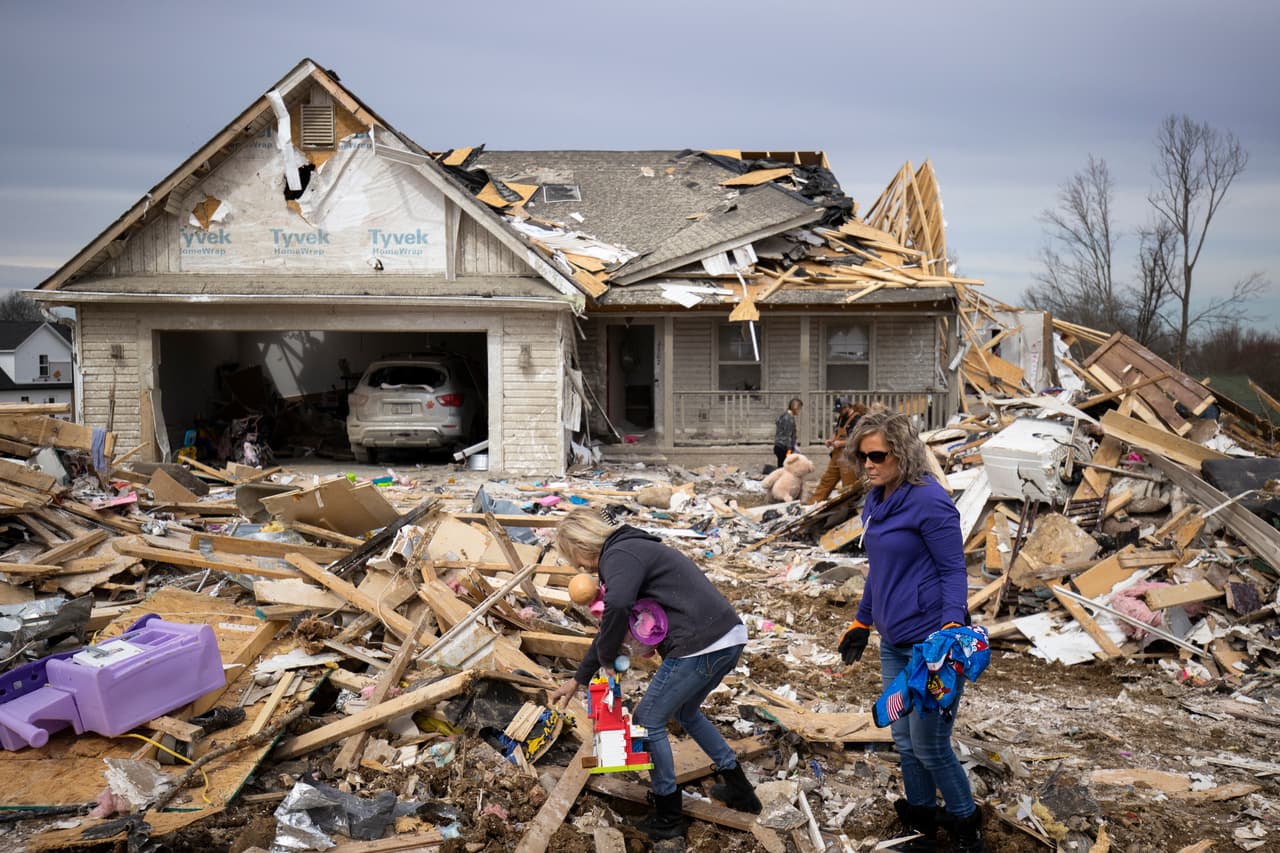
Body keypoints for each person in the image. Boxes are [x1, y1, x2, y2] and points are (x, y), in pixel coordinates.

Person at [550, 508, 760, 841]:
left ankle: (668, 816)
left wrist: (607, 660)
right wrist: (579, 678)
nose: (583, 569)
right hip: (726, 637)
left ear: (582, 543)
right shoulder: (631, 549)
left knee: (648, 719)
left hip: (699, 644)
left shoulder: (617, 554)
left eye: (577, 560)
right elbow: (610, 624)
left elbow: (617, 606)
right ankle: (740, 788)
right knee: (685, 712)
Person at [836, 411, 987, 852]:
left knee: (931, 744)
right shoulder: (876, 501)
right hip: (894, 645)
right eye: (863, 456)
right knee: (903, 740)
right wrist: (862, 621)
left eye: (878, 455)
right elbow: (879, 572)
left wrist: (950, 628)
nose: (869, 464)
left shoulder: (930, 501)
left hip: (932, 647)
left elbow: (953, 570)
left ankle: (967, 826)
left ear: (902, 452)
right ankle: (923, 821)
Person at [805, 399, 868, 505]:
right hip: (836, 454)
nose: (839, 412)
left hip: (849, 456)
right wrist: (832, 441)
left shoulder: (857, 420)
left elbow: (857, 439)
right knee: (827, 479)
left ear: (847, 407)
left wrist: (841, 443)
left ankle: (849, 506)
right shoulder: (841, 417)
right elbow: (837, 432)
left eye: (841, 410)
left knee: (848, 484)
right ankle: (813, 503)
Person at [772, 397, 803, 468]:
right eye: (799, 409)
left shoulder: (783, 416)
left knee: (781, 467)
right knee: (785, 469)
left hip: (779, 445)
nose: (799, 411)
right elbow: (788, 435)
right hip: (784, 447)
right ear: (796, 407)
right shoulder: (789, 418)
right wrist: (789, 450)